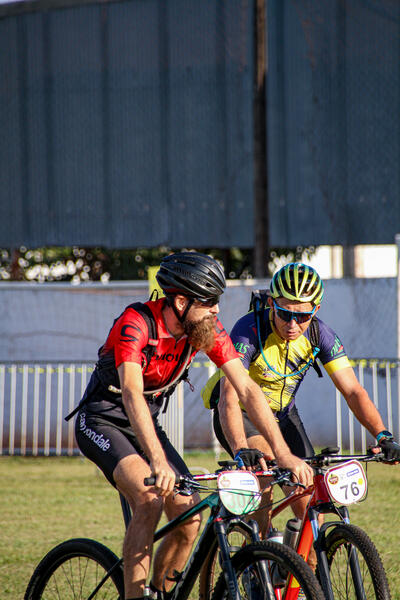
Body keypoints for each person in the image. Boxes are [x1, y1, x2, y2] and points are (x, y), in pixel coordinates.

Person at [74, 252, 313, 600]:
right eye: (209, 301)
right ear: (181, 301)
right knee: (150, 498)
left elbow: (246, 388)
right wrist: (157, 460)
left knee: (189, 519)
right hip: (103, 419)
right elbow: (131, 393)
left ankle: (159, 593)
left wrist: (283, 454)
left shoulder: (204, 329)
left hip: (147, 422)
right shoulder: (136, 324)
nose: (217, 310)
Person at [208, 262, 400, 539]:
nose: (292, 324)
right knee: (266, 474)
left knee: (311, 508)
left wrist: (383, 436)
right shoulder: (249, 329)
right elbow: (229, 395)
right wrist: (240, 448)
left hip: (284, 416)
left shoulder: (319, 333)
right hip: (242, 414)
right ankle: (258, 559)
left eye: (303, 316)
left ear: (316, 311)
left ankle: (296, 572)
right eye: (284, 313)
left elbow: (353, 391)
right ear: (272, 303)